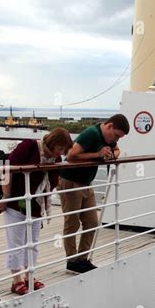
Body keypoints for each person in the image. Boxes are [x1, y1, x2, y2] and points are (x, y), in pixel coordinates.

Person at [0, 128, 73, 295]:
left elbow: (53, 182)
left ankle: (29, 276)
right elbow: (6, 169)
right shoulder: (29, 147)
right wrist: (6, 196)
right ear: (53, 143)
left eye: (63, 150)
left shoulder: (56, 159)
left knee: (32, 245)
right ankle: (16, 280)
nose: (60, 153)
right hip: (17, 203)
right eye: (60, 148)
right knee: (16, 244)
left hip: (36, 207)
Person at [57, 114, 129, 273]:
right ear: (109, 126)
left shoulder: (108, 139)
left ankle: (82, 258)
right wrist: (97, 155)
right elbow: (71, 155)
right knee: (72, 223)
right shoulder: (92, 134)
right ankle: (72, 261)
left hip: (85, 183)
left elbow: (117, 150)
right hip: (70, 181)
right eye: (116, 135)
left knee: (91, 223)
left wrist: (111, 153)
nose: (116, 139)